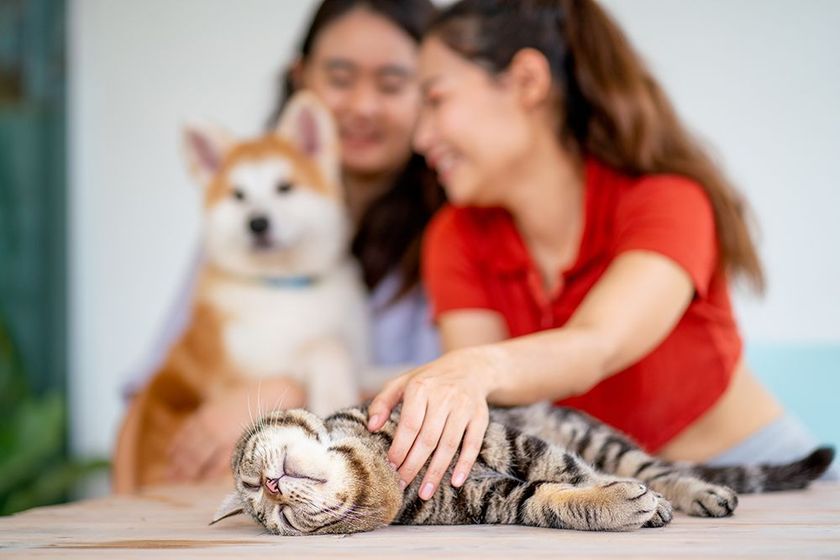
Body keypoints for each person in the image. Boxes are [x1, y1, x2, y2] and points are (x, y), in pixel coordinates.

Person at [366, 0, 837, 502]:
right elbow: (497, 417)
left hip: (764, 476)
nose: (421, 138)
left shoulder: (667, 199)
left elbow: (598, 344)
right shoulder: (453, 237)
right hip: (610, 491)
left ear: (527, 81)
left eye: (435, 100)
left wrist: (475, 368)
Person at [117, 0, 444, 487]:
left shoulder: (450, 231)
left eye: (392, 84)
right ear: (300, 78)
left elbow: (441, 393)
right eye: (339, 77)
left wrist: (285, 390)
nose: (363, 105)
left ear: (432, 90)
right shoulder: (238, 244)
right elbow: (147, 398)